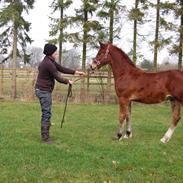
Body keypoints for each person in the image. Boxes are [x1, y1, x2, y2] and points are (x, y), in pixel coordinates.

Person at [35, 43, 85, 144]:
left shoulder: (50, 61)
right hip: (43, 91)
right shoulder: (48, 64)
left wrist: (76, 72)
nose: (57, 53)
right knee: (46, 113)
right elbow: (58, 77)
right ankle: (45, 138)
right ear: (51, 53)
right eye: (55, 52)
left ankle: (46, 136)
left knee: (46, 112)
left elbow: (61, 68)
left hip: (43, 90)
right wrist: (68, 82)